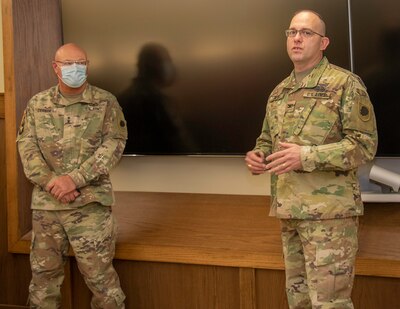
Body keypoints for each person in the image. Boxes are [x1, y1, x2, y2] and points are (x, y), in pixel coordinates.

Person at [245, 10, 377, 309]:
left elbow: (364, 145)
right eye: (292, 32)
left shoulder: (345, 84)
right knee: (299, 301)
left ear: (324, 42)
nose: (297, 38)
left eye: (306, 33)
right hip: (289, 211)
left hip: (329, 216)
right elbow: (267, 139)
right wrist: (259, 155)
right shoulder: (279, 92)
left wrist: (305, 156)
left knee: (329, 304)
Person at [17, 43, 127, 308]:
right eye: (68, 64)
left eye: (81, 63)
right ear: (56, 68)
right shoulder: (37, 103)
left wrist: (74, 179)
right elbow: (26, 146)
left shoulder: (106, 102)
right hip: (47, 208)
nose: (75, 69)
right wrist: (50, 181)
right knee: (43, 281)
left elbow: (114, 144)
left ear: (87, 66)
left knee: (102, 282)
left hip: (90, 206)